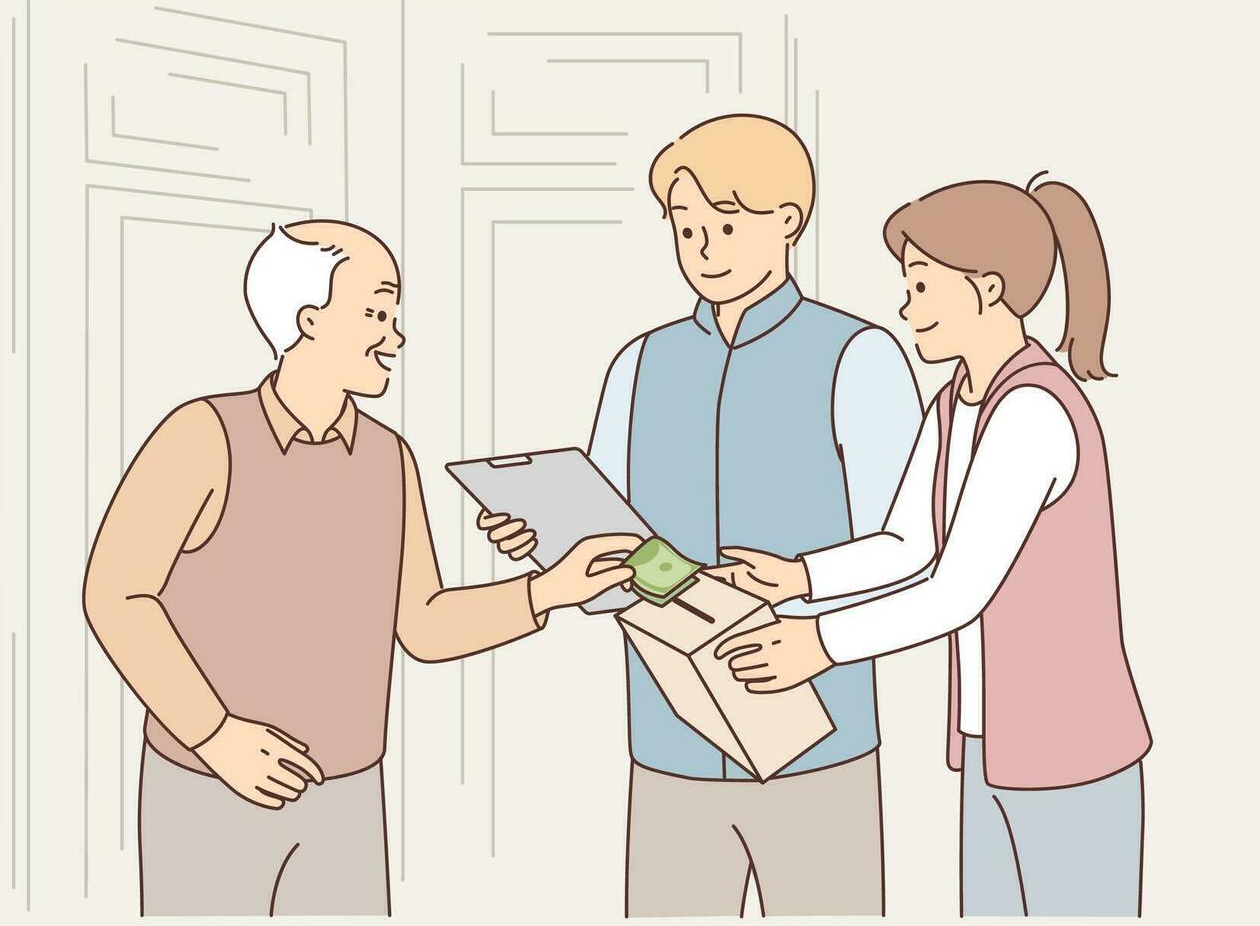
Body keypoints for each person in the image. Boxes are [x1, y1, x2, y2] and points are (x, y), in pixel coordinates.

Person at [83, 220, 639, 917]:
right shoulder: (202, 436)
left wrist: (552, 590)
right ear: (307, 319)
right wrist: (215, 734)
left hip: (347, 798)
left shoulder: (388, 458)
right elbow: (116, 594)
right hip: (206, 786)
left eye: (395, 315)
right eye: (376, 312)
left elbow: (426, 626)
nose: (395, 336)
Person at [481, 114, 920, 916]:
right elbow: (608, 539)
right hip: (670, 741)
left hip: (818, 744)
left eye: (725, 223)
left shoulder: (860, 357)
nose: (703, 246)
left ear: (789, 221)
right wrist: (548, 546)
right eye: (686, 228)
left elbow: (906, 553)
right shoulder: (639, 364)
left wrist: (812, 629)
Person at [712, 175, 1151, 916]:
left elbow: (955, 591)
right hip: (993, 746)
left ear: (986, 289)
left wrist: (820, 644)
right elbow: (907, 543)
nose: (905, 305)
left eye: (920, 284)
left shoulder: (1033, 412)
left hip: (1074, 756)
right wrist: (799, 578)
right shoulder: (954, 402)